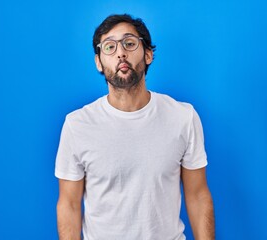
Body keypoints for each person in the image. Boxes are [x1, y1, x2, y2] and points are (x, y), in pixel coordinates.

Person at [55, 13, 215, 240]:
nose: (120, 52)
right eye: (109, 47)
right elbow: (69, 204)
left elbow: (198, 195)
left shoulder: (183, 117)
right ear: (99, 62)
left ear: (148, 54)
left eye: (129, 43)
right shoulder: (77, 125)